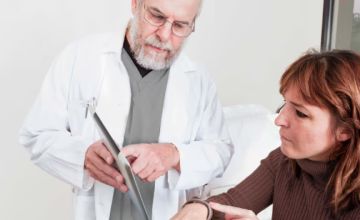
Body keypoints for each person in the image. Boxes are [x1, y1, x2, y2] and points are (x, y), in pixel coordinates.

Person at [18, 0, 233, 219]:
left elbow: (221, 151)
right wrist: (82, 156)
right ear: (135, 4)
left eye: (180, 26)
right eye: (157, 17)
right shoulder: (81, 58)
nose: (165, 35)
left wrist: (174, 155)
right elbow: (36, 134)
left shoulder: (198, 81)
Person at [172, 50, 360, 220]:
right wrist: (200, 208)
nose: (280, 119)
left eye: (301, 113)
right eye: (285, 104)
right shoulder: (285, 161)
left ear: (346, 130)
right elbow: (230, 203)